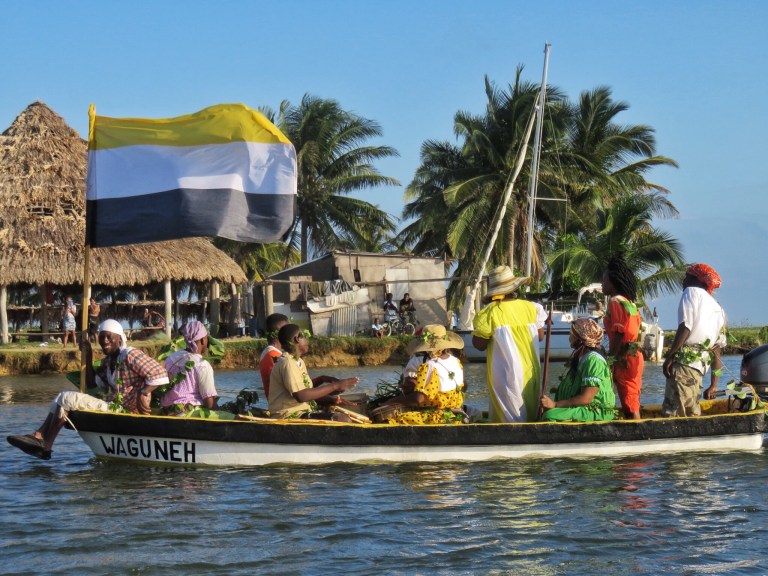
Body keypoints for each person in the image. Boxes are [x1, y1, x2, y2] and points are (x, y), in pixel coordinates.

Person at [7, 319, 169, 460]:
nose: (104, 341)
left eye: (109, 337)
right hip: (113, 406)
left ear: (119, 339)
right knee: (60, 398)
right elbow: (92, 384)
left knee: (67, 398)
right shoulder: (108, 362)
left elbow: (159, 372)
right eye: (101, 337)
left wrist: (144, 392)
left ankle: (46, 444)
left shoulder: (129, 354)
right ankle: (40, 436)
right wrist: (88, 355)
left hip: (125, 410)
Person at [471, 265, 547, 422]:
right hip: (530, 368)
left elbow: (479, 345)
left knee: (508, 411)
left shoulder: (491, 312)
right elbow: (540, 336)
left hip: (506, 371)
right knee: (530, 406)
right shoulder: (531, 308)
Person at [661, 263, 727, 417]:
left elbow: (686, 326)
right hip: (698, 371)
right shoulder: (717, 308)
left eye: (688, 277)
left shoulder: (691, 292)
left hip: (684, 365)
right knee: (691, 412)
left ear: (698, 280)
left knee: (674, 413)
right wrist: (714, 385)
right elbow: (716, 350)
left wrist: (670, 356)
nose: (684, 281)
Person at [268, 324, 360, 420]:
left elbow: (309, 392)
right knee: (342, 419)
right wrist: (335, 386)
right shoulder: (288, 362)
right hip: (287, 415)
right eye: (304, 337)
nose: (307, 341)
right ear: (296, 340)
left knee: (346, 415)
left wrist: (332, 399)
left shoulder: (298, 361)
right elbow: (302, 396)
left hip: (301, 411)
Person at [381, 325, 466, 424]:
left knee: (392, 420)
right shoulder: (456, 361)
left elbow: (418, 399)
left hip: (437, 418)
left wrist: (392, 401)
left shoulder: (429, 367)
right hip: (455, 416)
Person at [540, 317, 616, 422]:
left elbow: (586, 398)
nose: (570, 337)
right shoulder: (582, 356)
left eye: (572, 334)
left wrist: (555, 404)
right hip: (583, 409)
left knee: (550, 415)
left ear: (581, 338)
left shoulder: (593, 360)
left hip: (595, 411)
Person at [601, 257, 644, 419]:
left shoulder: (615, 302)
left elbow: (619, 333)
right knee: (632, 394)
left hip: (624, 356)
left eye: (604, 280)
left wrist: (611, 360)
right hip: (634, 355)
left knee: (628, 399)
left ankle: (636, 432)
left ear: (613, 282)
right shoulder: (630, 303)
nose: (602, 284)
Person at [161, 320, 218, 415]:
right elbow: (209, 403)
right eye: (206, 338)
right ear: (203, 340)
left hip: (168, 410)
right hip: (190, 412)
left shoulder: (171, 358)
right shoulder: (202, 364)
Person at [258, 313, 289, 398]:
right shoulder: (273, 355)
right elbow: (290, 386)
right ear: (281, 332)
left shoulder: (273, 352)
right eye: (288, 330)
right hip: (283, 405)